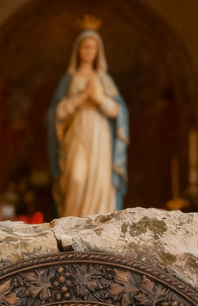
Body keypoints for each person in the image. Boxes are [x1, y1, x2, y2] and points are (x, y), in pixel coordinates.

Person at [47, 26, 129, 218]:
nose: (89, 51)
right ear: (78, 50)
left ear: (98, 51)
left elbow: (118, 111)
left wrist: (99, 98)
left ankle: (100, 225)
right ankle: (73, 224)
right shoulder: (69, 80)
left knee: (101, 180)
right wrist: (81, 96)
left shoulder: (104, 80)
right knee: (76, 177)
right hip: (77, 132)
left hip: (101, 135)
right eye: (85, 47)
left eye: (93, 47)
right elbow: (57, 113)